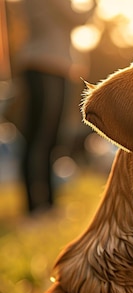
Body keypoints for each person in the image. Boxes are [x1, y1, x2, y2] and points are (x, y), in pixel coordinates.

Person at [17, 0, 93, 215]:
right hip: (49, 66)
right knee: (44, 138)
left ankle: (44, 205)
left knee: (39, 138)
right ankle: (38, 207)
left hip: (42, 65)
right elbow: (78, 19)